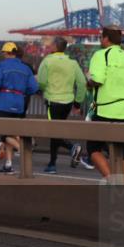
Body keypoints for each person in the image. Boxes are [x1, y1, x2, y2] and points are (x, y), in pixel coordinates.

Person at [85, 26, 124, 185]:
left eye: (101, 37)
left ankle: (114, 183)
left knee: (93, 148)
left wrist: (88, 82)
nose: (100, 40)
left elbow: (97, 79)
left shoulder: (100, 55)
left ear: (106, 38)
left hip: (105, 111)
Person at [36, 37, 86, 174]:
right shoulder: (73, 63)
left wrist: (44, 89)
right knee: (58, 131)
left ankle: (56, 161)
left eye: (51, 44)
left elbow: (41, 81)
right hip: (68, 102)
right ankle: (70, 149)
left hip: (53, 100)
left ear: (54, 47)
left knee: (54, 133)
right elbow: (82, 83)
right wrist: (78, 102)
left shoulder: (47, 60)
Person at [0, 42, 40, 174]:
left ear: (6, 53)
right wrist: (22, 92)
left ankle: (21, 149)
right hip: (19, 102)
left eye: (3, 53)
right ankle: (8, 164)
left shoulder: (1, 66)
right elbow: (34, 88)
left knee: (4, 134)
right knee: (12, 131)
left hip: (5, 100)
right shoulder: (25, 68)